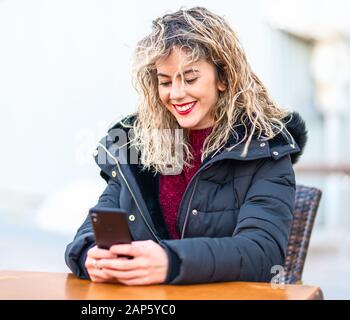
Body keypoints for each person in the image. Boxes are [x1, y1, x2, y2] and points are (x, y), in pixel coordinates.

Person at [64, 6, 307, 285]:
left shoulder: (265, 149)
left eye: (190, 78)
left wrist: (170, 262)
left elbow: (262, 255)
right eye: (165, 82)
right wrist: (90, 256)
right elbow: (86, 236)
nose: (177, 94)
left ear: (224, 78)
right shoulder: (137, 145)